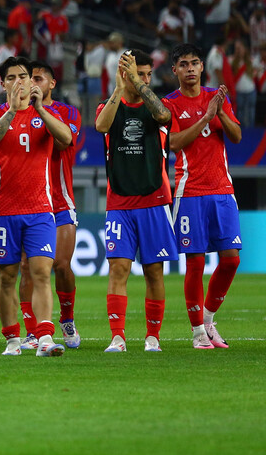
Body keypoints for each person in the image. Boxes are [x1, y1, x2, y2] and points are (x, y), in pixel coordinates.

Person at [0, 56, 73, 358]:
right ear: (2, 83)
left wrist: (41, 109)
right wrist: (10, 111)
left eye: (24, 76)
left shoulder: (45, 115)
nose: (19, 82)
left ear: (33, 82)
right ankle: (12, 340)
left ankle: (45, 337)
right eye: (12, 77)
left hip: (40, 211)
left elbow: (67, 138)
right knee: (7, 276)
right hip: (4, 210)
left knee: (42, 272)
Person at [94, 51, 177, 353]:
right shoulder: (109, 105)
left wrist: (141, 86)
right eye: (138, 74)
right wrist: (119, 87)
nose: (144, 79)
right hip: (119, 202)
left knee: (154, 270)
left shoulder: (157, 105)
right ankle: (118, 337)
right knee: (118, 269)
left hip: (154, 199)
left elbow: (164, 117)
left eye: (147, 74)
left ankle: (152, 337)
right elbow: (102, 126)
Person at [165, 44, 242, 349]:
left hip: (222, 189)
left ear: (201, 67)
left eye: (195, 63)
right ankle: (198, 333)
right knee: (195, 263)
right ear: (175, 70)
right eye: (184, 64)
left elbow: (236, 136)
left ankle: (208, 319)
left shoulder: (216, 98)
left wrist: (219, 110)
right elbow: (173, 143)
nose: (191, 69)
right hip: (190, 191)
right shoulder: (169, 104)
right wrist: (204, 118)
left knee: (231, 260)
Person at [25, 61, 82, 348]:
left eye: (38, 78)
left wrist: (39, 110)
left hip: (59, 201)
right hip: (28, 202)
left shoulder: (68, 112)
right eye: (29, 78)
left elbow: (63, 142)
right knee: (26, 267)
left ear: (52, 84)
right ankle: (31, 329)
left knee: (60, 265)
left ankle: (67, 319)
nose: (33, 82)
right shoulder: (14, 112)